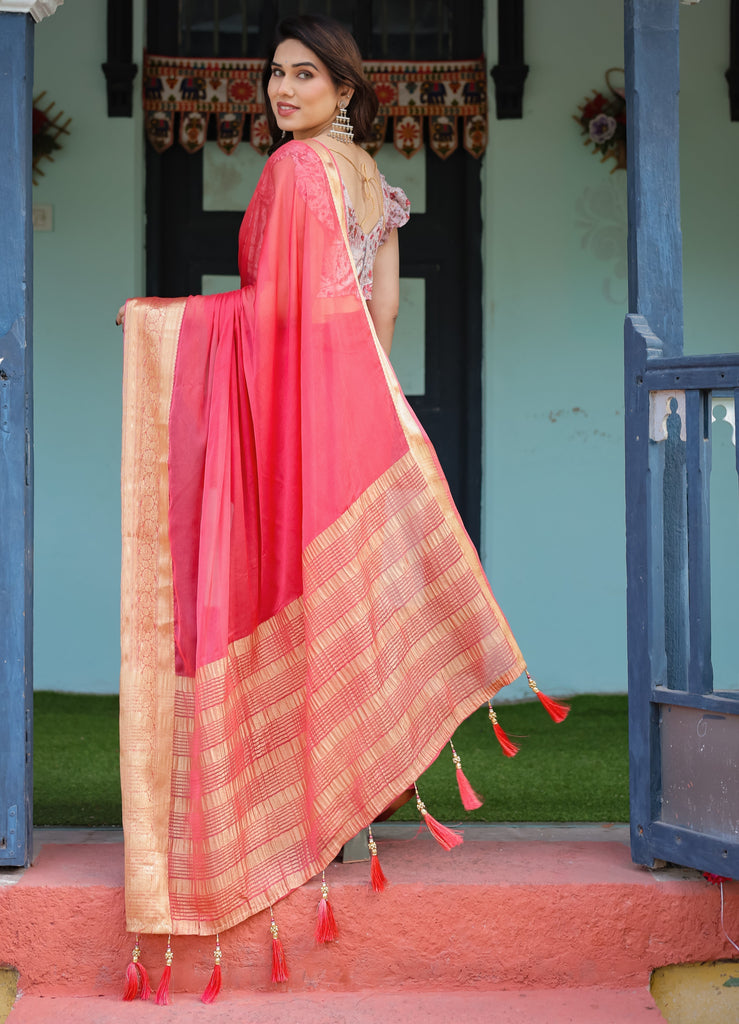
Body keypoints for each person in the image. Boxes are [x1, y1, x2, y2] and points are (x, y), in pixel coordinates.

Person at [118, 11, 529, 981]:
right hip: (367, 406)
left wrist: (163, 323)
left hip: (309, 414)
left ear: (345, 90)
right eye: (275, 75)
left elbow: (281, 312)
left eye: (305, 77)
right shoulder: (370, 182)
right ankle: (345, 814)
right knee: (347, 603)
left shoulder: (297, 170)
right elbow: (380, 308)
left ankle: (296, 818)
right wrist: (355, 392)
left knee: (286, 596)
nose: (282, 91)